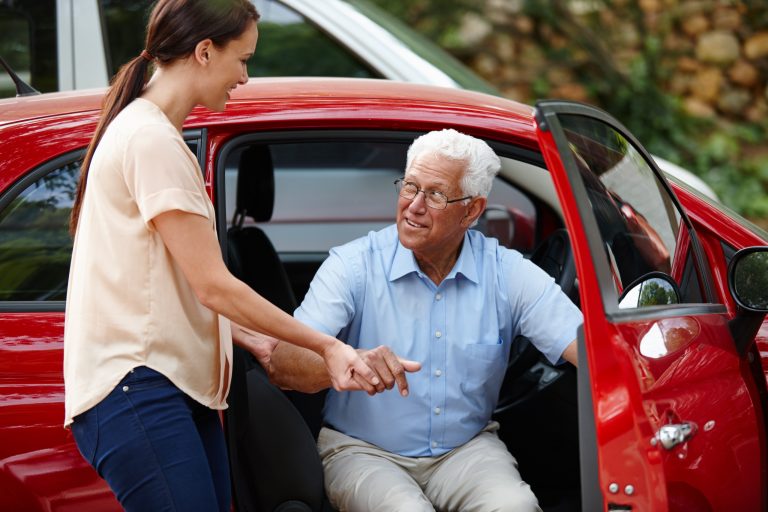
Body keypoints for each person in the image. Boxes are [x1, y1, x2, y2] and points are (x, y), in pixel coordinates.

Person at [63, 2, 380, 511]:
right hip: (139, 389)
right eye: (243, 60)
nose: (245, 78)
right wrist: (327, 346)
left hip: (164, 388)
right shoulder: (150, 141)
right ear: (205, 51)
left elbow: (169, 280)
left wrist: (249, 336)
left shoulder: (151, 133)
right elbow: (213, 285)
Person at [244, 129, 583, 511]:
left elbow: (592, 352)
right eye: (409, 187)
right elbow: (283, 365)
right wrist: (348, 360)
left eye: (435, 194)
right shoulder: (353, 265)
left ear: (472, 210)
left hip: (466, 450)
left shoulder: (508, 273)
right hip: (363, 451)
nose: (414, 206)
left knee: (516, 506)